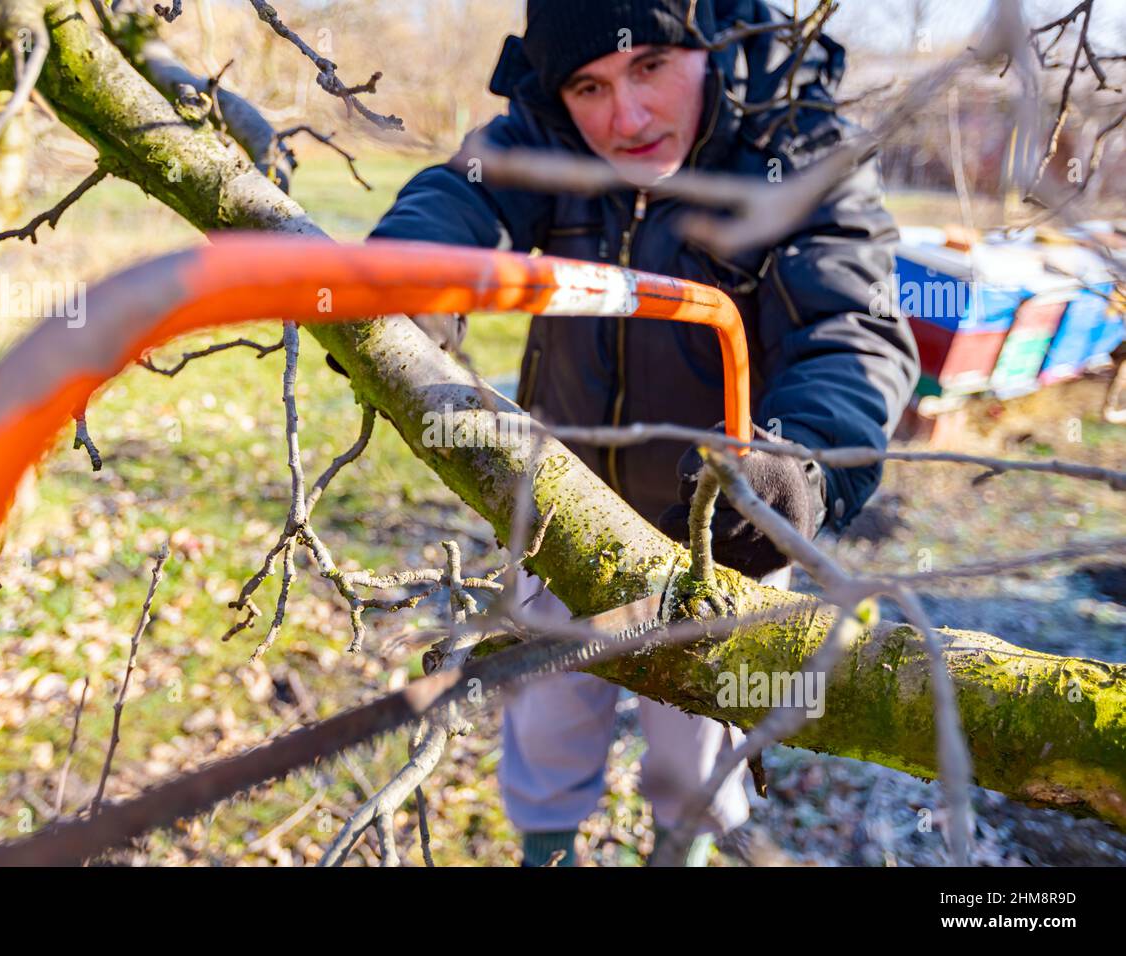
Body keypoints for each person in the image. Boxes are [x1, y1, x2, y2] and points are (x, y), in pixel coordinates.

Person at [361, 0, 920, 865]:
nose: (624, 118)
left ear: (712, 44)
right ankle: (546, 849)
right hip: (556, 508)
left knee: (698, 758)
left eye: (651, 66)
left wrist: (798, 467)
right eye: (590, 85)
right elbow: (458, 194)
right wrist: (394, 285)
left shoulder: (800, 152)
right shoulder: (546, 134)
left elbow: (850, 329)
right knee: (544, 722)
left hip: (717, 546)